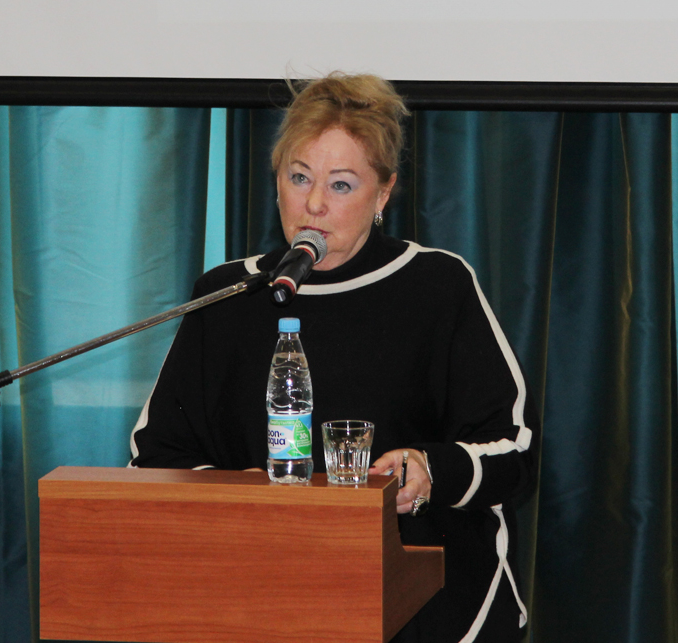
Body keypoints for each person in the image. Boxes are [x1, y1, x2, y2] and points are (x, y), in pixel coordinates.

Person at [130, 73, 540, 642]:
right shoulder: (227, 296)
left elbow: (514, 448)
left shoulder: (436, 285)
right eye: (298, 177)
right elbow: (155, 457)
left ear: (383, 195)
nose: (314, 204)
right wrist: (232, 494)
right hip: (259, 600)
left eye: (341, 185)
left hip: (429, 607)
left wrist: (428, 471)